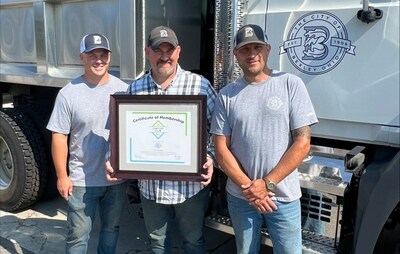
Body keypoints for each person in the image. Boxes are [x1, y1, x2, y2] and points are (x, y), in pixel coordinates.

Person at [106, 26, 217, 254]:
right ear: (148, 53)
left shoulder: (200, 85)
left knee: (193, 242)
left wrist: (211, 157)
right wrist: (115, 160)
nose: (164, 56)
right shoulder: (135, 89)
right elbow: (123, 133)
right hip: (151, 188)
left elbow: (220, 129)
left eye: (170, 50)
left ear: (178, 51)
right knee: (157, 243)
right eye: (158, 50)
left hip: (190, 188)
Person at [210, 24, 318, 254]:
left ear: (268, 49)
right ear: (236, 54)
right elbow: (221, 150)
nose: (251, 54)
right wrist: (250, 188)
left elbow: (302, 143)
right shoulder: (226, 95)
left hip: (283, 196)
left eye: (257, 47)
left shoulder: (290, 84)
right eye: (244, 49)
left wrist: (266, 184)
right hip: (242, 197)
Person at [46, 33, 128, 254]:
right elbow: (59, 136)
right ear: (82, 57)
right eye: (93, 55)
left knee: (111, 230)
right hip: (82, 180)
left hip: (116, 180)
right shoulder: (68, 94)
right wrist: (62, 176)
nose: (99, 60)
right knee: (78, 237)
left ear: (110, 58)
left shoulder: (124, 90)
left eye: (103, 55)